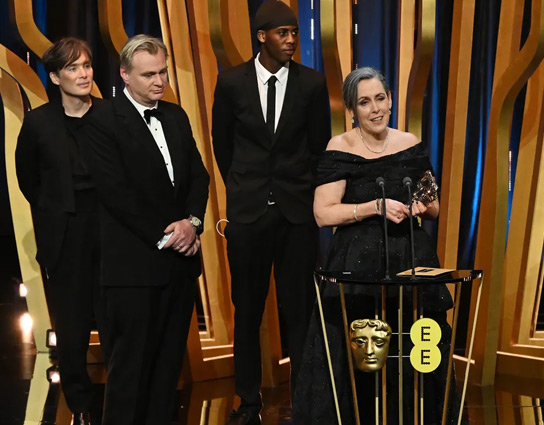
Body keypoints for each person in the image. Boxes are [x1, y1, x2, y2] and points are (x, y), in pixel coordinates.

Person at [293, 67, 461, 425]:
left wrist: (419, 205)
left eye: (380, 99)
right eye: (365, 102)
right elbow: (323, 213)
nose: (375, 109)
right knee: (362, 351)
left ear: (390, 100)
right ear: (352, 109)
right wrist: (374, 207)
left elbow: (433, 204)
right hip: (357, 265)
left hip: (410, 259)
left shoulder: (410, 143)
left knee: (413, 347)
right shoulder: (340, 147)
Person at [211, 1, 331, 423]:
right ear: (261, 36)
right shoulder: (231, 83)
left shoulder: (312, 83)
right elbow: (222, 146)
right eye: (283, 33)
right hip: (248, 215)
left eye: (294, 32)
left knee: (299, 311)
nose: (292, 40)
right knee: (247, 310)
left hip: (296, 215)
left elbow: (319, 147)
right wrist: (246, 190)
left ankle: (304, 401)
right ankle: (248, 402)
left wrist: (297, 192)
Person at [80, 35, 209, 424]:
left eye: (163, 72)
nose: (159, 81)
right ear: (124, 74)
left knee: (167, 372)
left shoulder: (176, 116)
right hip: (132, 269)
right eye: (149, 74)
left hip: (179, 268)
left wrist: (193, 223)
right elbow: (117, 194)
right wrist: (172, 235)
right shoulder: (101, 120)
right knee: (129, 373)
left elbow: (198, 178)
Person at [16, 37, 107, 425]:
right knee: (71, 327)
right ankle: (80, 406)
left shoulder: (111, 115)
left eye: (86, 65)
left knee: (117, 319)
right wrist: (53, 210)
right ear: (55, 77)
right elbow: (28, 179)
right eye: (73, 68)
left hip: (111, 227)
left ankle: (121, 401)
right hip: (66, 232)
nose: (83, 74)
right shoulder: (39, 122)